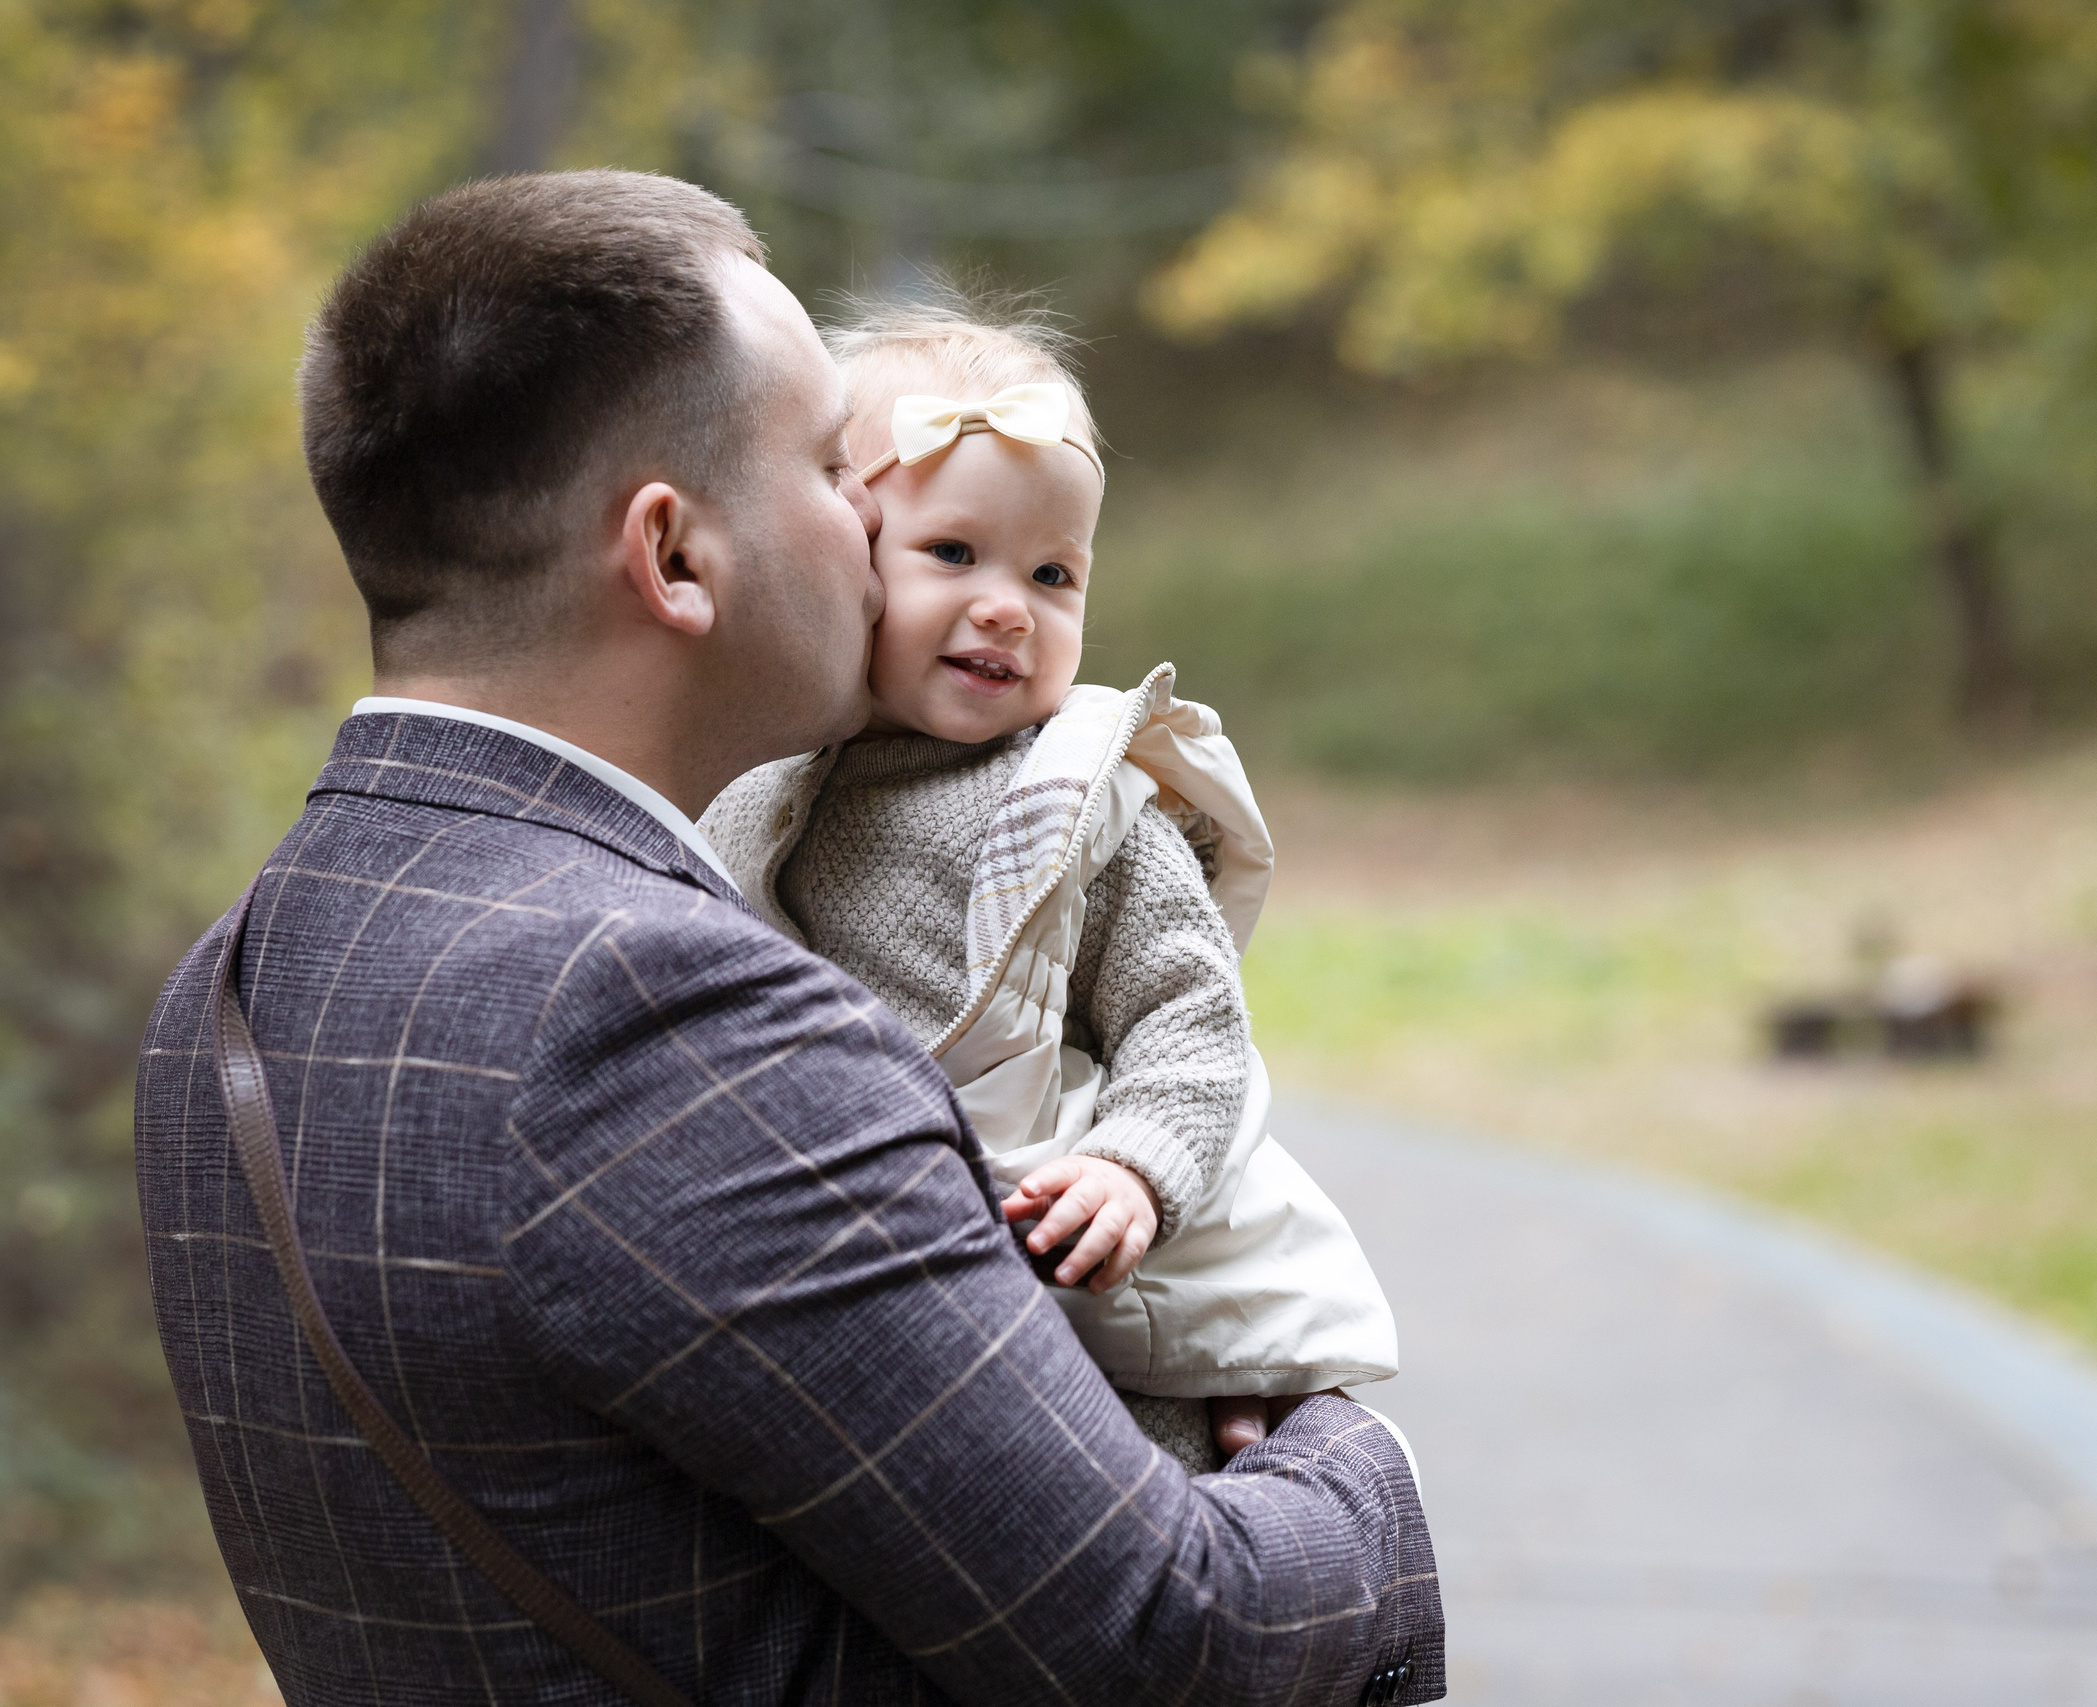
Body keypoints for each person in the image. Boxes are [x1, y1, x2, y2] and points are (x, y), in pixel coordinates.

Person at [133, 169, 1442, 1704]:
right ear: (677, 556)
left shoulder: (227, 982)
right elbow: (1170, 1639)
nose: (872, 528)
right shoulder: (671, 1020)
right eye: (836, 470)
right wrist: (1355, 1463)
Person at [699, 295, 1400, 1475]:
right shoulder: (756, 789)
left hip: (1069, 1273)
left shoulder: (1078, 800)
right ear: (847, 551)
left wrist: (1133, 1167)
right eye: (952, 554)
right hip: (860, 1275)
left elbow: (1190, 1017)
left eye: (1052, 574)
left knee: (1132, 1486)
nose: (1004, 607)